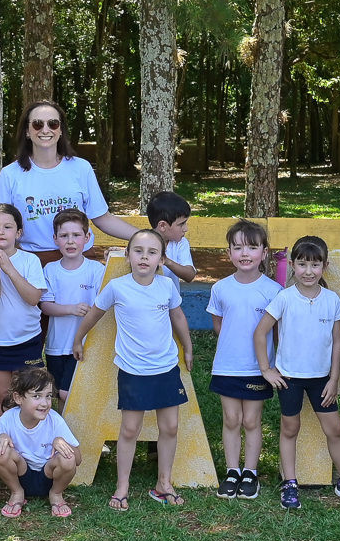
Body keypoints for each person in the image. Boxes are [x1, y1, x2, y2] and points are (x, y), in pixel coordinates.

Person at [74, 227, 192, 510]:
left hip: (165, 368)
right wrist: (78, 339)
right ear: (127, 255)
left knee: (170, 427)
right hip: (133, 370)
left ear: (161, 259)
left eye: (152, 252)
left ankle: (163, 483)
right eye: (138, 251)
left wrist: (188, 347)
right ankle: (122, 486)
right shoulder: (117, 287)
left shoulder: (166, 286)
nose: (144, 257)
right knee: (129, 429)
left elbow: (177, 316)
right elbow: (95, 313)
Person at [253, 235, 340, 510]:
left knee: (335, 429)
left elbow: (336, 341)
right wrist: (266, 369)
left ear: (324, 266)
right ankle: (290, 483)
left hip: (321, 380)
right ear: (292, 265)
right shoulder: (285, 298)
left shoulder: (331, 300)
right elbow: (260, 332)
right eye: (302, 264)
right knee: (290, 428)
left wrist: (334, 379)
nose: (308, 271)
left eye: (315, 265)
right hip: (289, 378)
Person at [0, 101, 136, 251]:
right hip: (32, 259)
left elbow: (103, 218)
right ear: (27, 131)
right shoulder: (9, 174)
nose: (45, 130)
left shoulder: (81, 168)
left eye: (53, 124)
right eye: (38, 124)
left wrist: (143, 236)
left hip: (79, 258)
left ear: (61, 130)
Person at [207, 219, 277, 500]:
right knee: (231, 419)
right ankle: (232, 471)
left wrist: (271, 363)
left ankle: (250, 472)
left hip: (258, 368)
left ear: (264, 252)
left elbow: (277, 331)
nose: (244, 253)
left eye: (252, 247)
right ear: (229, 253)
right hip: (227, 366)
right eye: (237, 248)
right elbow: (218, 324)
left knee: (251, 420)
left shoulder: (273, 290)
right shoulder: (220, 288)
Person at [0, 203, 50, 417]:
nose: (0, 232)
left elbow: (33, 298)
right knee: (2, 395)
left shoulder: (29, 260)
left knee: (29, 394)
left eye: (7, 227)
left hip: (26, 338)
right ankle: (3, 435)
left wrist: (9, 268)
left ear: (18, 233)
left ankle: (28, 434)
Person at [0, 364, 81, 518]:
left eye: (48, 396)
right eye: (37, 396)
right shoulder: (7, 419)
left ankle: (56, 494)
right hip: (20, 475)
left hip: (49, 475)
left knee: (67, 458)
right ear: (18, 398)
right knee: (1, 452)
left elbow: (77, 460)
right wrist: (1, 439)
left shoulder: (54, 420)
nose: (44, 403)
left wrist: (61, 441)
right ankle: (16, 493)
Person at [39, 209, 103, 404]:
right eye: (64, 236)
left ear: (87, 237)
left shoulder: (96, 270)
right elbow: (45, 306)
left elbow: (103, 306)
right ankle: (62, 425)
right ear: (55, 239)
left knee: (70, 393)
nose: (70, 241)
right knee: (59, 394)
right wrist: (71, 309)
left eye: (76, 235)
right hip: (56, 346)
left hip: (85, 344)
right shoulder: (50, 270)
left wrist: (90, 311)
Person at [147, 191, 196, 281]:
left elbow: (190, 275)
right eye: (181, 224)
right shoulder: (141, 243)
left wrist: (166, 261)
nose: (186, 229)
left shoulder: (181, 243)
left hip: (171, 291)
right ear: (162, 226)